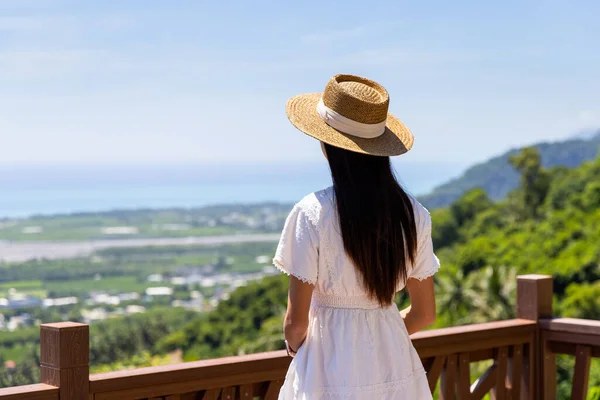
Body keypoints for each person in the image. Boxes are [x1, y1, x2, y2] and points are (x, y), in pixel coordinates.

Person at [273, 74, 440, 399]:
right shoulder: (414, 215)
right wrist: (377, 338)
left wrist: (301, 351)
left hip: (325, 371)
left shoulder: (312, 213)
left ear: (329, 144)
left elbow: (295, 324)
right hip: (394, 367)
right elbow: (425, 313)